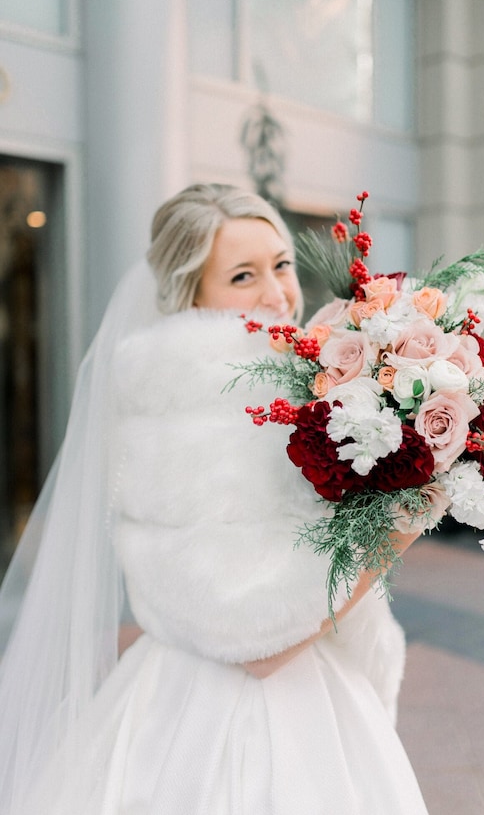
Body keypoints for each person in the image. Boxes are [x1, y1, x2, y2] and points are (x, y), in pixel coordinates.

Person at [0, 183, 428, 814]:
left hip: (291, 683)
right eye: (242, 275)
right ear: (190, 294)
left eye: (280, 265)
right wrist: (395, 531)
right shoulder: (194, 410)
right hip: (229, 716)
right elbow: (254, 640)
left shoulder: (300, 388)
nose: (276, 293)